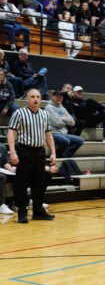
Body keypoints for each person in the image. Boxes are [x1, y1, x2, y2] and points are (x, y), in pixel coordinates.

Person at [6, 88, 56, 222]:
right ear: (27, 99)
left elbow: (48, 135)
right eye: (32, 96)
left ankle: (38, 211)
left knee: (39, 182)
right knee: (21, 183)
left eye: (38, 97)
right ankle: (22, 211)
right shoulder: (19, 112)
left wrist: (53, 153)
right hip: (24, 151)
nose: (35, 99)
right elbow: (11, 133)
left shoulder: (44, 114)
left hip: (39, 151)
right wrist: (13, 152)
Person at [45, 90, 84, 160]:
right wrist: (65, 121)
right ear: (53, 97)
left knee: (80, 140)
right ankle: (56, 155)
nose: (59, 98)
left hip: (63, 133)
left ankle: (64, 156)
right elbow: (56, 122)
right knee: (65, 141)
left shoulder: (62, 108)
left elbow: (72, 122)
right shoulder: (49, 108)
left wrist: (61, 118)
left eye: (61, 97)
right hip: (53, 133)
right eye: (57, 96)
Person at [0, 143, 16, 215]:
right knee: (2, 177)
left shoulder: (2, 147)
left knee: (16, 175)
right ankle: (1, 205)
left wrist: (11, 169)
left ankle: (17, 202)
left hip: (1, 170)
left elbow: (5, 163)